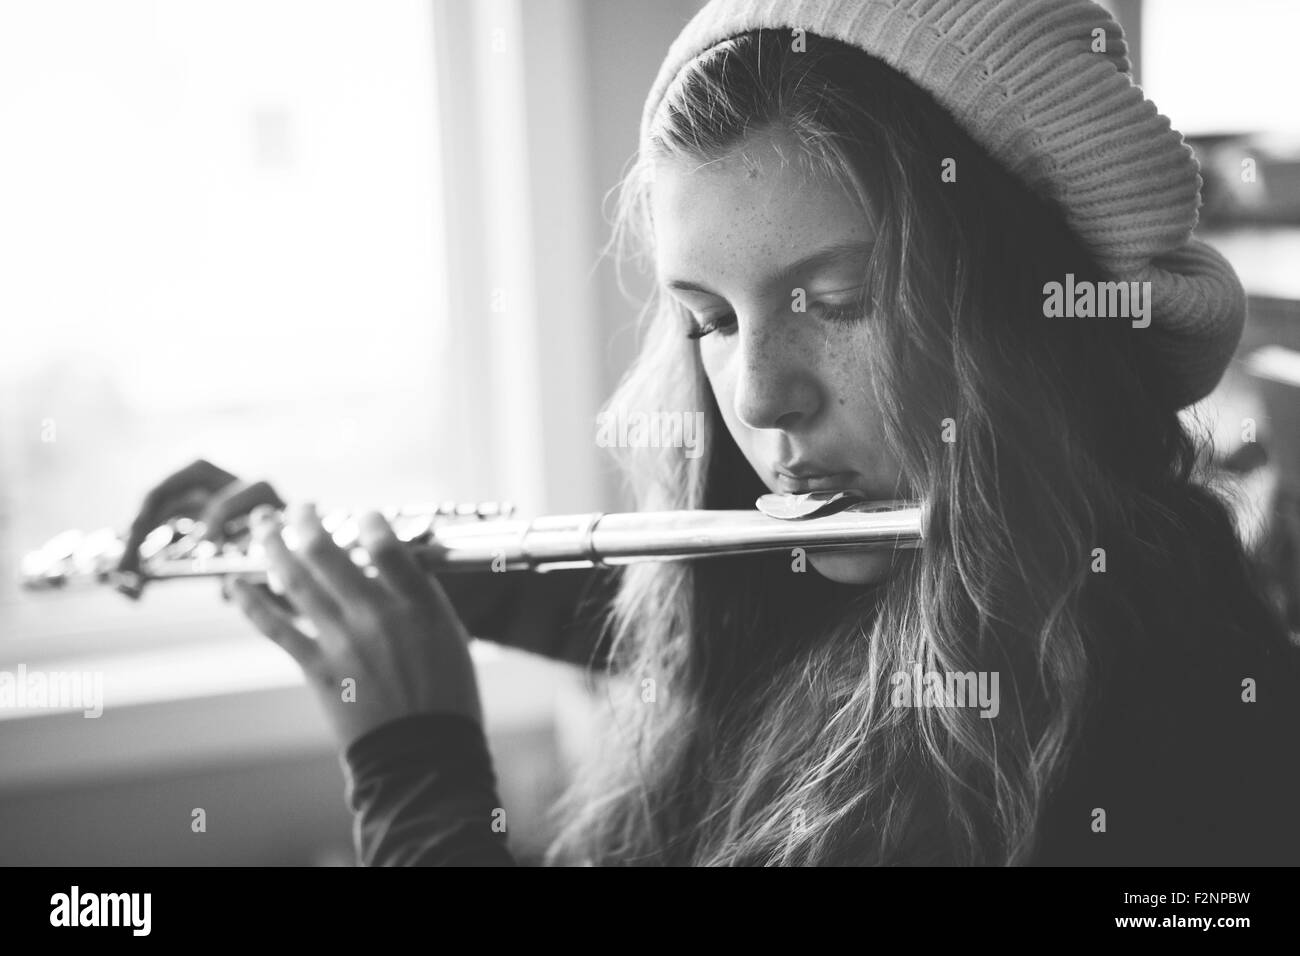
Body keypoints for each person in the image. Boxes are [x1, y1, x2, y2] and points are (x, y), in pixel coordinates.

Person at [120, 0, 1300, 866]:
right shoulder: (873, 567)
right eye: (710, 319)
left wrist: (409, 758)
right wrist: (366, 578)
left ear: (1028, 318)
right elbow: (714, 636)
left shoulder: (1146, 694)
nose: (761, 393)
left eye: (834, 302)